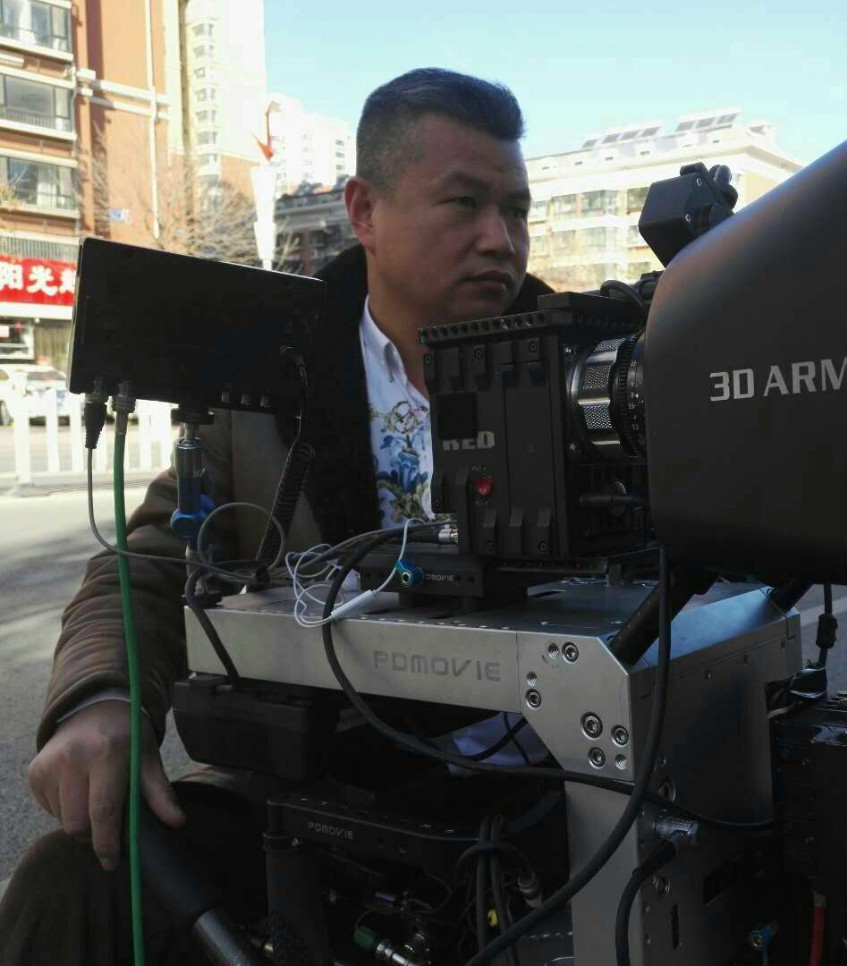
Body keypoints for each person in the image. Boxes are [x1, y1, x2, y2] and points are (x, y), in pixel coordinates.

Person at [0, 68, 553, 963]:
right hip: (322, 788)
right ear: (364, 211)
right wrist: (102, 697)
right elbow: (147, 564)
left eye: (517, 210)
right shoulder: (264, 389)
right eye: (465, 204)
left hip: (557, 787)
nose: (501, 239)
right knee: (75, 882)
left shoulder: (587, 373)